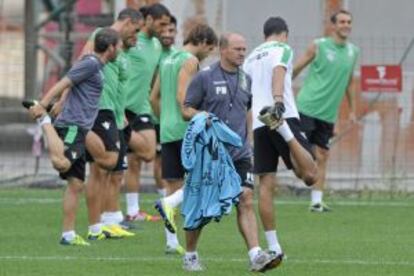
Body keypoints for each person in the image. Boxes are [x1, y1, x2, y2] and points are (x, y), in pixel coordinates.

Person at [181, 33, 280, 272]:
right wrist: (202, 116)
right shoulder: (204, 77)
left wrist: (249, 141)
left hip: (239, 153)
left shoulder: (246, 79)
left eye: (244, 49)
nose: (242, 53)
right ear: (223, 50)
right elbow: (186, 109)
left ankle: (256, 255)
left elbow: (247, 110)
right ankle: (190, 255)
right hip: (210, 154)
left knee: (245, 198)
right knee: (202, 208)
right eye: (237, 49)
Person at [25, 28, 120, 246]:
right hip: (73, 126)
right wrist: (44, 106)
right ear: (111, 47)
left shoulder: (97, 66)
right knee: (62, 163)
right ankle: (45, 123)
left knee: (76, 183)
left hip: (81, 128)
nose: (120, 51)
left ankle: (68, 235)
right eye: (119, 47)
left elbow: (72, 84)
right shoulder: (91, 63)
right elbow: (64, 82)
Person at [243, 17, 317, 259]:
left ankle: (274, 247)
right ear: (284, 34)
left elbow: (245, 94)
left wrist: (246, 129)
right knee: (310, 175)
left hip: (258, 125)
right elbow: (279, 70)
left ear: (265, 34)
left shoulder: (251, 57)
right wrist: (278, 101)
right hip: (279, 116)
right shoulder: (282, 48)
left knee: (265, 184)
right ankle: (284, 131)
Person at [151, 24, 217, 255]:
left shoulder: (167, 58)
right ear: (202, 41)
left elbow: (153, 98)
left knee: (173, 185)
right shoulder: (190, 61)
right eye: (209, 49)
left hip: (167, 129)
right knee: (203, 180)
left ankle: (171, 242)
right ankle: (172, 211)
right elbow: (183, 98)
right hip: (185, 129)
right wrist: (203, 117)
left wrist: (165, 119)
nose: (208, 55)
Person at [79, 8, 144, 239]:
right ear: (128, 22)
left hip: (115, 116)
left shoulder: (121, 53)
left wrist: (121, 115)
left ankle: (107, 220)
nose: (136, 36)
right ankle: (95, 226)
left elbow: (118, 85)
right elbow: (81, 66)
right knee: (99, 169)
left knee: (111, 171)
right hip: (98, 111)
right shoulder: (100, 35)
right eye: (135, 30)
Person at [293, 9, 359, 212]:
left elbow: (348, 82)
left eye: (349, 21)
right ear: (333, 25)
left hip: (328, 115)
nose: (346, 25)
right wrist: (280, 93)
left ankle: (316, 202)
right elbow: (296, 69)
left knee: (323, 155)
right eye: (342, 22)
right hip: (307, 107)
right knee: (306, 158)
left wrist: (353, 111)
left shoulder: (353, 51)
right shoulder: (319, 46)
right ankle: (292, 159)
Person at [123, 3, 170, 222]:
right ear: (149, 19)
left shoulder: (157, 46)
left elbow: (154, 77)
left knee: (149, 152)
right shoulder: (132, 41)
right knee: (132, 163)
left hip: (142, 107)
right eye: (161, 24)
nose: (164, 29)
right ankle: (132, 212)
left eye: (167, 25)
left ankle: (122, 134)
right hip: (122, 106)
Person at [152, 15, 178, 199]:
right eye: (164, 31)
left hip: (170, 117)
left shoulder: (178, 55)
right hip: (154, 114)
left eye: (172, 30)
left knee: (163, 160)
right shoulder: (153, 53)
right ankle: (164, 198)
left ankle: (166, 199)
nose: (168, 34)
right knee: (152, 159)